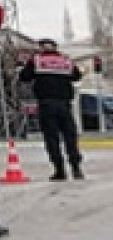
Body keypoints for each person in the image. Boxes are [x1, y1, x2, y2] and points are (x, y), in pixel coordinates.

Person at [19, 38, 84, 181]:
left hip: (46, 104)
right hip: (65, 104)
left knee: (51, 138)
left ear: (42, 48)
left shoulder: (36, 61)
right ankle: (76, 168)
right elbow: (77, 76)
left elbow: (24, 77)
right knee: (70, 137)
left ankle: (60, 170)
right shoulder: (66, 61)